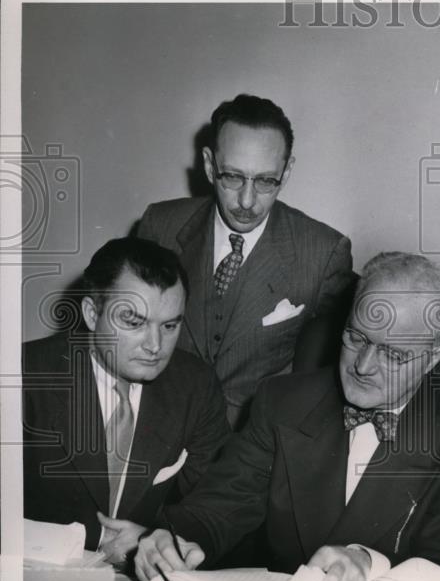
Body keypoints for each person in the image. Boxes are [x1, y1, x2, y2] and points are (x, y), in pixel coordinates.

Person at [135, 253, 440, 581]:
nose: (363, 366)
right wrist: (177, 537)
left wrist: (369, 562)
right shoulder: (282, 402)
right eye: (356, 337)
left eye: (394, 354)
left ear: (433, 359)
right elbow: (221, 505)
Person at [137, 94, 354, 428]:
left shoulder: (324, 253)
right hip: (158, 424)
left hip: (253, 444)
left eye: (266, 181)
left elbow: (335, 369)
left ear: (287, 170)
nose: (247, 201)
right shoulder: (159, 225)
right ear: (209, 165)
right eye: (233, 177)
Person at [23, 237, 231, 562]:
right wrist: (97, 536)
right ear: (92, 314)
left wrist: (157, 541)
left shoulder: (195, 385)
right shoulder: (21, 375)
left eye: (170, 325)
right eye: (134, 322)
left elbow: (216, 502)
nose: (155, 345)